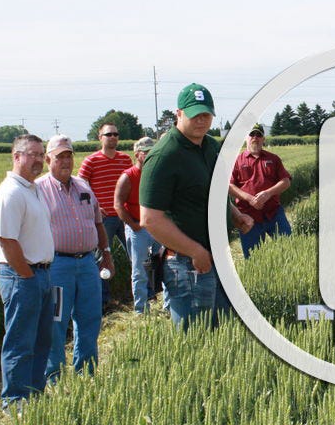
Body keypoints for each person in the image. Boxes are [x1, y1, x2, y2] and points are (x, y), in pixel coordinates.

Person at [140, 83, 253, 329]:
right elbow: (150, 219)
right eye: (194, 115)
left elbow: (213, 192)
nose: (201, 121)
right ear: (179, 114)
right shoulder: (164, 156)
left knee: (224, 331)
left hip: (218, 257)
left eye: (206, 114)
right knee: (197, 339)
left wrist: (234, 214)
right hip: (187, 265)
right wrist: (195, 251)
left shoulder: (211, 147)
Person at [35, 135, 112, 379]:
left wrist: (106, 254)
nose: (65, 161)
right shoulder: (39, 189)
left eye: (69, 155)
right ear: (48, 159)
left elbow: (98, 222)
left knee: (90, 319)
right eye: (60, 157)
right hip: (57, 266)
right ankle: (54, 378)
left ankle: (86, 375)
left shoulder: (83, 186)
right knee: (55, 323)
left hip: (88, 264)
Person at [0, 134, 55, 411]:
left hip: (41, 274)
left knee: (42, 340)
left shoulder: (32, 189)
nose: (38, 160)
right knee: (20, 342)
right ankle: (16, 402)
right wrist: (27, 275)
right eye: (32, 154)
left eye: (41, 154)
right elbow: (6, 240)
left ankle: (35, 395)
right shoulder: (11, 193)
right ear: (16, 157)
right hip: (21, 276)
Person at [78, 122, 133, 308]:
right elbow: (81, 187)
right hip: (103, 219)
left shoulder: (125, 159)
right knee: (101, 260)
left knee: (137, 255)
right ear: (100, 137)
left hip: (125, 216)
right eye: (109, 134)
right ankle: (104, 301)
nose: (113, 137)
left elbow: (133, 183)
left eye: (116, 134)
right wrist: (95, 207)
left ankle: (142, 293)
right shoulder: (91, 161)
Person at [230, 123, 293, 258]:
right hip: (248, 217)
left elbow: (286, 181)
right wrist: (249, 199)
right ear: (246, 137)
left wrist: (268, 193)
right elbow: (230, 186)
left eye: (259, 135)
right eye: (252, 134)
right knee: (254, 259)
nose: (255, 137)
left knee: (289, 250)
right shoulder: (236, 161)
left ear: (263, 139)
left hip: (274, 214)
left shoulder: (273, 159)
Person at [115, 136, 161, 314]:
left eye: (153, 152)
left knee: (164, 265)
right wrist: (134, 225)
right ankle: (141, 309)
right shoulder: (128, 177)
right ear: (137, 155)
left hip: (158, 227)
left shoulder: (157, 173)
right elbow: (118, 204)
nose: (150, 155)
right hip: (138, 230)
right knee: (139, 270)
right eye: (146, 152)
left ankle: (168, 303)